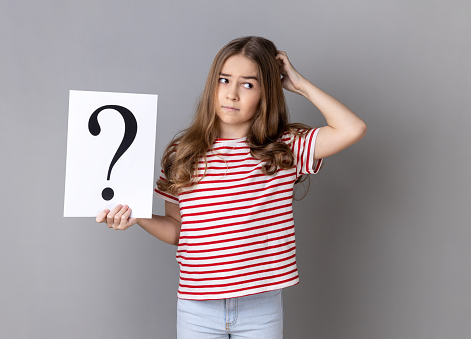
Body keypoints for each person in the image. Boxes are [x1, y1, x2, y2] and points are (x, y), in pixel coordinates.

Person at [96, 36, 366, 338]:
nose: (232, 94)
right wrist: (139, 217)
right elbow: (177, 230)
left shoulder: (284, 149)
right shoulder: (182, 153)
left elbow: (352, 128)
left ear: (266, 93)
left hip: (260, 307)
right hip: (196, 307)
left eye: (248, 84)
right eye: (224, 80)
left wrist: (299, 84)